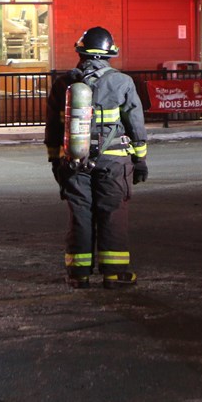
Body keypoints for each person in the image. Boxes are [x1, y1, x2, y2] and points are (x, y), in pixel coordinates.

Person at [45, 26, 148, 289]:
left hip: (73, 159)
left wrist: (55, 161)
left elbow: (53, 128)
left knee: (80, 213)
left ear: (80, 51)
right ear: (109, 54)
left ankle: (78, 274)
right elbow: (135, 124)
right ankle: (114, 274)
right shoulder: (122, 82)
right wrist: (140, 159)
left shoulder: (63, 83)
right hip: (113, 161)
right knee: (112, 212)